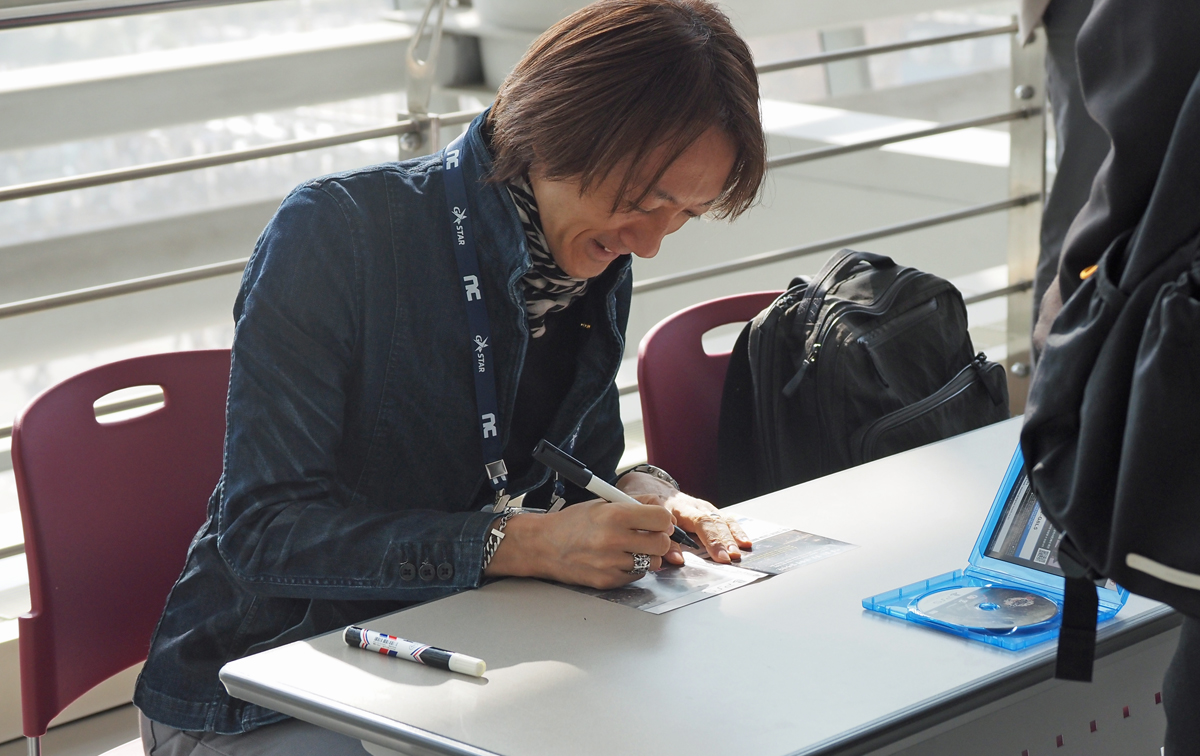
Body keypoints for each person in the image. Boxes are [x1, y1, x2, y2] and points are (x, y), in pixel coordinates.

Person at [132, 1, 767, 753]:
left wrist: (644, 494)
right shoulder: (337, 232)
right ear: (559, 129)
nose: (651, 243)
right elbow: (266, 534)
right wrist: (524, 545)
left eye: (686, 214)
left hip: (462, 656)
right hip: (261, 687)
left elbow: (574, 472)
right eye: (644, 202)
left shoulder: (592, 255)